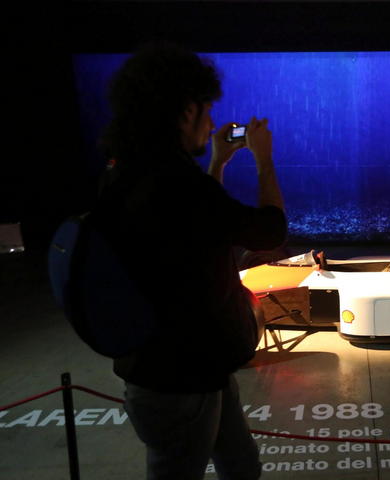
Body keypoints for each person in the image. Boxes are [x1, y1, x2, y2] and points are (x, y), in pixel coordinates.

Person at [96, 42, 286, 479]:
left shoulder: (123, 174)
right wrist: (264, 159)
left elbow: (197, 223)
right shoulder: (179, 187)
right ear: (185, 112)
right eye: (207, 110)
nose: (213, 123)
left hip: (176, 364)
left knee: (241, 465)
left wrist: (217, 161)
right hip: (181, 380)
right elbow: (270, 230)